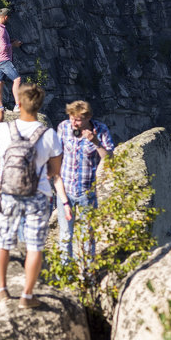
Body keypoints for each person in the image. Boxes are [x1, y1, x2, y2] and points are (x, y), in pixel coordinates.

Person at [0, 84, 63, 309]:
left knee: (2, 243)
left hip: (9, 194)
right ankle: (26, 295)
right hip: (38, 195)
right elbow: (55, 170)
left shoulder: (5, 130)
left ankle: (2, 291)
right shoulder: (49, 135)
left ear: (20, 104)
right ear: (39, 105)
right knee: (35, 246)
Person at [55, 100, 114, 262]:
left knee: (87, 236)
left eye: (78, 119)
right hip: (65, 190)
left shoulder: (101, 130)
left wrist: (95, 142)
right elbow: (57, 155)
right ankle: (64, 276)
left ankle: (86, 276)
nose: (74, 122)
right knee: (65, 235)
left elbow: (109, 159)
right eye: (72, 118)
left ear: (88, 117)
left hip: (87, 193)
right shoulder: (64, 127)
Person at [0, 8, 22, 110]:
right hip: (3, 59)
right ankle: (17, 105)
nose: (9, 20)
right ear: (5, 17)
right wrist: (14, 44)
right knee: (17, 79)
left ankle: (0, 106)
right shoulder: (1, 30)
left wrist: (10, 40)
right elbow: (3, 47)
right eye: (9, 18)